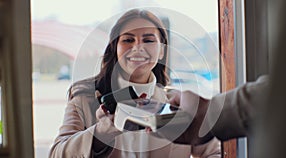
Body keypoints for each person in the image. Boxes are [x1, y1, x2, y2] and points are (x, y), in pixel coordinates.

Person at [49, 9, 221, 158]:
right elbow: (57, 153)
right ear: (115, 48)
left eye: (148, 40)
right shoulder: (84, 99)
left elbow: (215, 152)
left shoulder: (177, 105)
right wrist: (102, 132)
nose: (138, 47)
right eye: (128, 40)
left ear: (162, 51)